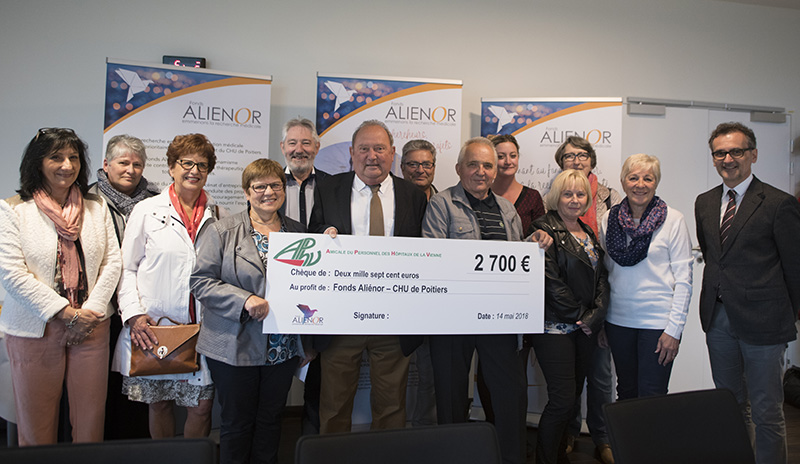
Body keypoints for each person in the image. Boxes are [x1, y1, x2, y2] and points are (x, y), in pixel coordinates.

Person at [422, 137, 551, 464]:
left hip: (499, 317)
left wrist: (532, 243)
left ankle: (510, 458)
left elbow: (513, 259)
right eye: (473, 164)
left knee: (509, 397)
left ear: (496, 172)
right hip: (453, 319)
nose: (481, 172)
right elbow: (434, 256)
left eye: (488, 166)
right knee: (451, 397)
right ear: (459, 168)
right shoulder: (442, 204)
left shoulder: (508, 208)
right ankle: (452, 457)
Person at [0, 127, 122, 445]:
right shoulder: (13, 209)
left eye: (73, 157)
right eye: (56, 157)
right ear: (37, 163)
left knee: (90, 422)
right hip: (35, 327)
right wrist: (65, 312)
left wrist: (91, 311)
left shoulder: (97, 207)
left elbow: (113, 263)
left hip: (92, 326)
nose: (67, 165)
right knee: (36, 426)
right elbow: (12, 273)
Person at [308, 120, 427, 433]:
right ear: (351, 152)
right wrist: (324, 234)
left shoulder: (413, 196)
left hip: (394, 317)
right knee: (334, 406)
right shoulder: (328, 188)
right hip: (341, 316)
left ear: (392, 154)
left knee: (392, 407)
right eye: (364, 148)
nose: (372, 156)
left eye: (379, 148)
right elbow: (312, 235)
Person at [192, 159, 312, 464]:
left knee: (272, 421)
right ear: (247, 192)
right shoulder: (222, 231)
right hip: (233, 345)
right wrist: (243, 300)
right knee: (236, 425)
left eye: (275, 185)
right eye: (260, 187)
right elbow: (200, 282)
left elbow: (311, 285)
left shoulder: (299, 232)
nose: (268, 192)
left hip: (282, 348)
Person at [695, 122, 800, 464]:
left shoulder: (778, 203)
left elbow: (795, 268)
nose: (728, 159)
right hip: (719, 319)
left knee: (767, 413)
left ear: (753, 155)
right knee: (730, 406)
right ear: (713, 159)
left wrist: (788, 317)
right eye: (720, 153)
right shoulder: (705, 202)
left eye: (736, 151)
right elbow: (715, 258)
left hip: (765, 324)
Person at [112, 133, 221, 439]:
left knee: (201, 407)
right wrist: (134, 314)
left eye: (202, 165)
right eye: (186, 163)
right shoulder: (147, 211)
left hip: (203, 330)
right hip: (156, 327)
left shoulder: (218, 215)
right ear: (172, 167)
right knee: (159, 405)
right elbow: (127, 267)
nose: (194, 171)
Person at [530, 169, 609, 464]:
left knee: (573, 399)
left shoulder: (587, 232)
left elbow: (601, 278)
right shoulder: (544, 230)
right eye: (568, 194)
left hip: (583, 329)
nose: (574, 200)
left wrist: (595, 316)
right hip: (554, 329)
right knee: (562, 401)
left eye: (580, 194)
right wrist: (582, 317)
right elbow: (552, 285)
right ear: (556, 196)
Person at [599, 154, 692, 400]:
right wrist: (601, 319)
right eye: (633, 177)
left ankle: (652, 441)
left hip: (658, 324)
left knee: (652, 396)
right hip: (618, 322)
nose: (640, 184)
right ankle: (628, 441)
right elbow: (605, 271)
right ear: (623, 181)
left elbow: (684, 280)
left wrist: (675, 329)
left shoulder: (673, 220)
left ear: (656, 183)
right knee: (626, 393)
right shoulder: (609, 218)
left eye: (648, 178)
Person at [554, 136, 620, 460]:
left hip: (602, 297)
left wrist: (598, 308)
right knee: (569, 378)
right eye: (569, 156)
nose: (577, 160)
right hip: (563, 305)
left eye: (582, 155)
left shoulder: (611, 198)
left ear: (592, 161)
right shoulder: (550, 198)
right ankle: (568, 431)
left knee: (600, 374)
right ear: (560, 162)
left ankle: (603, 437)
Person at [89, 134, 159, 440]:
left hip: (141, 310)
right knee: (99, 387)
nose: (130, 169)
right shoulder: (87, 201)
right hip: (100, 309)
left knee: (137, 390)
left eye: (137, 164)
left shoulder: (156, 202)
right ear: (106, 164)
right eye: (123, 163)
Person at [278, 117, 328, 435]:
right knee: (275, 385)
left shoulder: (334, 186)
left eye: (306, 143)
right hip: (279, 292)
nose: (299, 149)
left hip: (321, 293)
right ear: (282, 148)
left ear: (317, 148)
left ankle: (311, 447)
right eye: (293, 143)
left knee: (318, 386)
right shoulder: (267, 185)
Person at [399, 138, 439, 427]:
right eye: (413, 164)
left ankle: (424, 432)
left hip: (436, 301)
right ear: (401, 167)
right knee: (392, 375)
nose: (420, 170)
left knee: (431, 374)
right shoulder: (391, 200)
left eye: (426, 164)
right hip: (399, 299)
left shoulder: (448, 202)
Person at [491, 134, 544, 236]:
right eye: (501, 157)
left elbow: (541, 236)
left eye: (513, 156)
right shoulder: (483, 196)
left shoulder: (533, 197)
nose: (508, 161)